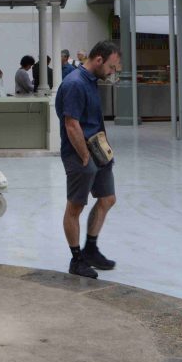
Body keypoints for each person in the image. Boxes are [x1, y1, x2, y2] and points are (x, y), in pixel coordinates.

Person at [55, 40, 121, 279]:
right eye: (111, 67)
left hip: (98, 150)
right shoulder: (74, 83)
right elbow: (71, 124)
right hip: (79, 152)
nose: (112, 72)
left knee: (107, 198)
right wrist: (84, 155)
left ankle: (90, 249)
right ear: (99, 60)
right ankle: (76, 259)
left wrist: (103, 150)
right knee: (75, 206)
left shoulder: (91, 80)